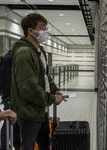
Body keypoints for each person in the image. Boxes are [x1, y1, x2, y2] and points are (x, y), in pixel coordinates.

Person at [10, 13, 64, 150]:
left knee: (45, 143)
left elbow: (45, 76)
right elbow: (29, 88)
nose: (45, 31)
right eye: (42, 27)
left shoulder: (39, 50)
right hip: (29, 113)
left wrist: (54, 89)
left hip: (41, 110)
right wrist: (52, 98)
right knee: (28, 146)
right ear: (30, 31)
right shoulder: (24, 53)